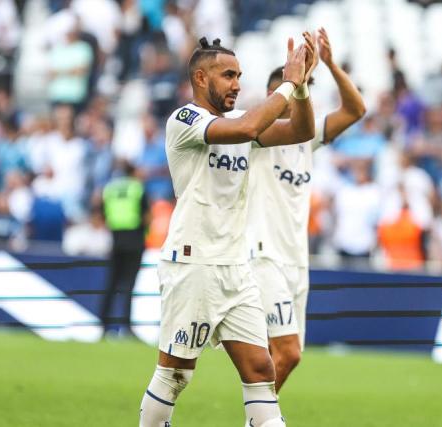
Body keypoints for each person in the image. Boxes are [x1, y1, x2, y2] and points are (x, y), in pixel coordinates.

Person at [138, 35, 315, 427]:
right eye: (228, 75)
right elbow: (250, 126)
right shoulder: (185, 120)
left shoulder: (240, 123)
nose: (237, 83)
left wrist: (301, 87)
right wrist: (286, 82)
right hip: (193, 263)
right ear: (201, 78)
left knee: (260, 371)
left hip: (237, 268)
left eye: (239, 75)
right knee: (175, 374)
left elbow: (302, 131)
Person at [247, 27, 366, 393]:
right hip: (264, 256)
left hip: (297, 260)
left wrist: (329, 64)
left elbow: (355, 109)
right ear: (273, 95)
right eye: (294, 87)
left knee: (278, 353)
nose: (302, 93)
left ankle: (257, 415)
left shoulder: (306, 138)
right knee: (289, 353)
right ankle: (260, 417)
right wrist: (291, 82)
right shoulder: (255, 135)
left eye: (305, 87)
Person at [100, 161, 147, 338]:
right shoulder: (137, 188)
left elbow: (103, 213)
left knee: (111, 284)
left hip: (115, 239)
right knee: (128, 285)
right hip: (134, 240)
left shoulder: (110, 189)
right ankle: (126, 326)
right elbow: (146, 215)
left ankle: (104, 325)